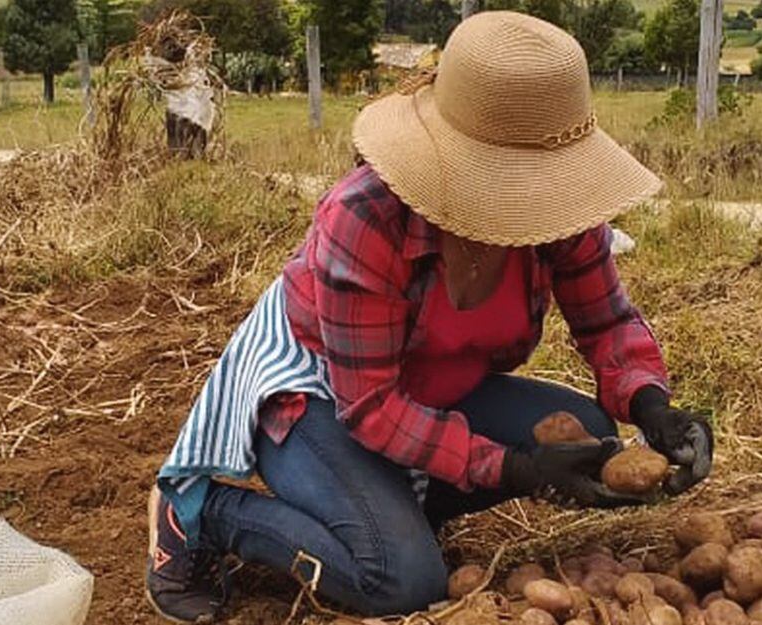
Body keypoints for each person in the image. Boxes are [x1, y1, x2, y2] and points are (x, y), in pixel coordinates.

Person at [145, 12, 714, 623]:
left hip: (430, 387)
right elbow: (370, 407)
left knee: (586, 435)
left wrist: (652, 403)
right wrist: (513, 467)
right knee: (402, 582)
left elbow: (606, 324)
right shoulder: (366, 219)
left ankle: (392, 508)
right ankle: (204, 516)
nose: (531, 196)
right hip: (319, 391)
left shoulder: (561, 217)